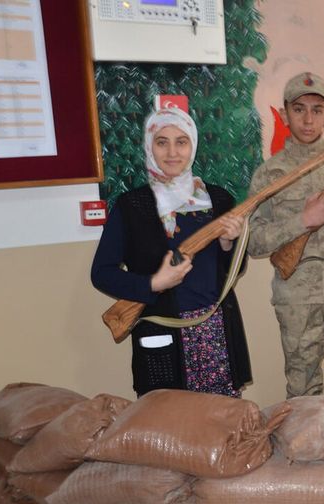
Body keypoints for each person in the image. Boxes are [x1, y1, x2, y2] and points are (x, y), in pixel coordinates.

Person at [91, 106, 251, 398]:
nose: (172, 152)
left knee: (222, 419)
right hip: (164, 332)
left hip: (216, 331)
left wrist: (228, 244)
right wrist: (153, 283)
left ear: (193, 145)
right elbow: (101, 273)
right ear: (149, 146)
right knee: (167, 419)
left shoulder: (218, 199)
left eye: (181, 141)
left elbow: (234, 269)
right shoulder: (132, 206)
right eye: (162, 142)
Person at [247, 72, 324, 398]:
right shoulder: (269, 174)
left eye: (317, 111)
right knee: (302, 389)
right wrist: (300, 221)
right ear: (284, 114)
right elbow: (254, 242)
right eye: (299, 109)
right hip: (296, 297)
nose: (307, 119)